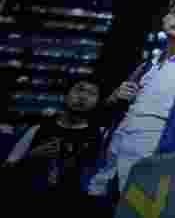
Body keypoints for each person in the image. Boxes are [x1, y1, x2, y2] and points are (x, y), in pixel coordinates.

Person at [90, 0, 175, 197]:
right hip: (109, 170)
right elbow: (109, 116)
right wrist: (114, 98)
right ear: (165, 19)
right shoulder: (145, 67)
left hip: (152, 178)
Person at [2, 78, 108, 215]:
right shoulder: (38, 129)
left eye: (92, 93)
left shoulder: (100, 135)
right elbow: (7, 168)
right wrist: (31, 156)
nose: (83, 97)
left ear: (98, 102)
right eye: (79, 89)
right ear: (66, 95)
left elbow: (102, 180)